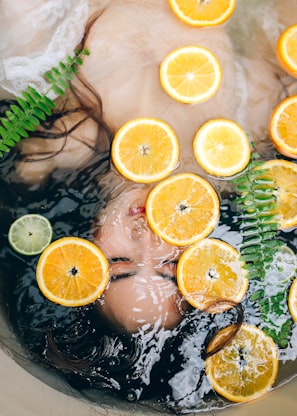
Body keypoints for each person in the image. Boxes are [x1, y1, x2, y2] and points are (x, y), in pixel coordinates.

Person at [1, 0, 297, 410]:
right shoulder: (246, 140)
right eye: (171, 265)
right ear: (206, 256)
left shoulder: (58, 142)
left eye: (120, 260)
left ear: (84, 244)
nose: (148, 239)